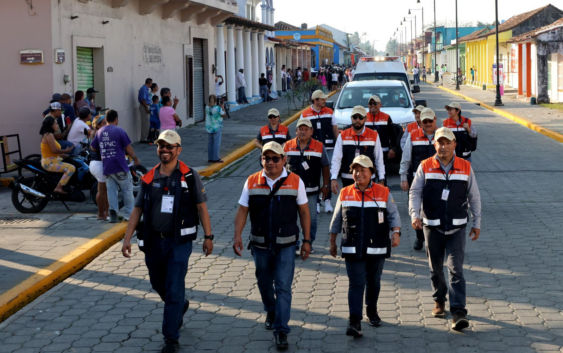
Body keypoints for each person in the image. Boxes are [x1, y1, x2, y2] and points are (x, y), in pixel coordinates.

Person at [122, 130, 214, 353]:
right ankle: (180, 306)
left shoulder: (189, 176)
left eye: (169, 146)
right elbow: (137, 209)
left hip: (178, 242)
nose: (164, 149)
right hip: (153, 242)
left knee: (173, 287)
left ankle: (170, 337)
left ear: (178, 150)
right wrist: (127, 238)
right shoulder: (148, 177)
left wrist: (208, 237)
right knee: (158, 284)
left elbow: (202, 207)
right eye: (161, 145)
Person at [233, 141, 311, 350]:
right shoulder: (251, 181)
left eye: (275, 158)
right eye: (266, 158)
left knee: (283, 286)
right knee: (264, 282)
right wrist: (237, 236)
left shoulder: (296, 181)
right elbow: (242, 210)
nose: (271, 162)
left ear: (284, 160)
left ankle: (281, 330)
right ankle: (271, 309)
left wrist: (306, 240)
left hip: (286, 245)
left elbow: (304, 212)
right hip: (259, 244)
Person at [409, 127, 481, 331]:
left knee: (456, 270)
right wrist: (414, 214)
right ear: (435, 145)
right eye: (440, 142)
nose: (444, 146)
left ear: (454, 145)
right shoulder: (425, 166)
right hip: (432, 226)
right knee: (435, 268)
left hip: (457, 227)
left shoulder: (465, 167)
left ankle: (458, 311)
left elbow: (474, 196)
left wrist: (477, 223)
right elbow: (414, 192)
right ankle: (439, 299)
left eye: (448, 142)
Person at [329, 155, 401, 337]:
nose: (358, 173)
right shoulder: (345, 192)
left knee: (373, 281)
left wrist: (396, 232)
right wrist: (332, 242)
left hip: (377, 247)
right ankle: (354, 320)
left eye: (363, 170)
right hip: (352, 248)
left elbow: (393, 215)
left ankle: (372, 309)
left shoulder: (383, 192)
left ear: (371, 173)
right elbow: (336, 219)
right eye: (355, 170)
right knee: (356, 282)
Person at [284, 119, 330, 253]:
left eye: (306, 129)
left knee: (312, 219)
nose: (303, 131)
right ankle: (295, 243)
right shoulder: (287, 146)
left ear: (311, 131)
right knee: (290, 218)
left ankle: (309, 242)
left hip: (311, 191)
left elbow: (325, 166)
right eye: (300, 129)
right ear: (296, 131)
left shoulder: (319, 146)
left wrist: (325, 185)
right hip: (290, 191)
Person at [91, 109, 140, 223]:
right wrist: (136, 159)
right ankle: (128, 214)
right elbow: (129, 149)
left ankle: (113, 212)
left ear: (106, 119)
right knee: (127, 189)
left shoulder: (99, 132)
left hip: (107, 166)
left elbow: (93, 148)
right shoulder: (119, 131)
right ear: (116, 119)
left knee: (111, 190)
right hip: (119, 165)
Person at [399, 108, 438, 251]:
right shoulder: (413, 135)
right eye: (424, 121)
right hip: (417, 180)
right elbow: (406, 158)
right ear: (420, 121)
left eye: (430, 121)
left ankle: (434, 238)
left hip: (437, 180)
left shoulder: (441, 135)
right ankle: (419, 237)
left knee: (435, 209)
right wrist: (403, 177)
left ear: (435, 120)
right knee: (417, 209)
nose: (427, 124)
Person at [300, 90, 340, 213]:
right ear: (315, 100)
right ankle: (316, 201)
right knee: (314, 174)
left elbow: (335, 129)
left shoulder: (329, 111)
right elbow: (301, 131)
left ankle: (327, 201)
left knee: (328, 174)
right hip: (313, 150)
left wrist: (339, 144)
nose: (325, 101)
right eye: (322, 99)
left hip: (329, 148)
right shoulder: (305, 114)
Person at [331, 105, 385, 194]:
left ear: (365, 119)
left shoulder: (374, 135)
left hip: (368, 179)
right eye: (355, 117)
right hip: (348, 179)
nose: (357, 120)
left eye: (360, 117)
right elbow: (336, 159)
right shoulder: (343, 135)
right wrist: (333, 178)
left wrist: (381, 179)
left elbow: (379, 159)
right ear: (351, 118)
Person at [39, 115, 75, 194]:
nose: (57, 125)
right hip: (49, 163)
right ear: (51, 125)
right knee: (71, 168)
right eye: (55, 124)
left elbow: (50, 151)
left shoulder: (49, 134)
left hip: (54, 160)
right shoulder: (48, 135)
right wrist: (66, 151)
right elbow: (54, 150)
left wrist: (63, 155)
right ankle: (59, 187)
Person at [365, 95, 397, 181]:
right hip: (368, 151)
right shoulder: (363, 117)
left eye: (375, 103)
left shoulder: (386, 117)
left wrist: (393, 148)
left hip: (383, 152)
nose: (372, 105)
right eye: (370, 103)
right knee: (368, 177)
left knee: (382, 176)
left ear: (380, 105)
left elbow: (393, 135)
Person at [90, 115, 109, 220]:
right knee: (102, 191)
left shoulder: (96, 132)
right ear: (97, 125)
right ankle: (101, 214)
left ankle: (107, 212)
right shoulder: (98, 133)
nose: (106, 125)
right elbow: (95, 149)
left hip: (96, 163)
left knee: (104, 190)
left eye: (106, 122)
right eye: (103, 123)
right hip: (98, 164)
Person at [205, 94, 225, 163]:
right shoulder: (217, 108)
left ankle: (210, 158)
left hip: (209, 127)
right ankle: (216, 158)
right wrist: (223, 107)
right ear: (216, 101)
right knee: (216, 143)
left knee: (210, 143)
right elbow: (223, 115)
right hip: (216, 127)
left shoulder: (207, 107)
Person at [138, 78, 153, 143]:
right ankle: (143, 138)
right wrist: (146, 109)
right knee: (145, 123)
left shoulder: (145, 89)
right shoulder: (144, 89)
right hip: (144, 106)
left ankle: (145, 137)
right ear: (149, 83)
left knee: (147, 122)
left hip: (146, 106)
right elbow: (143, 100)